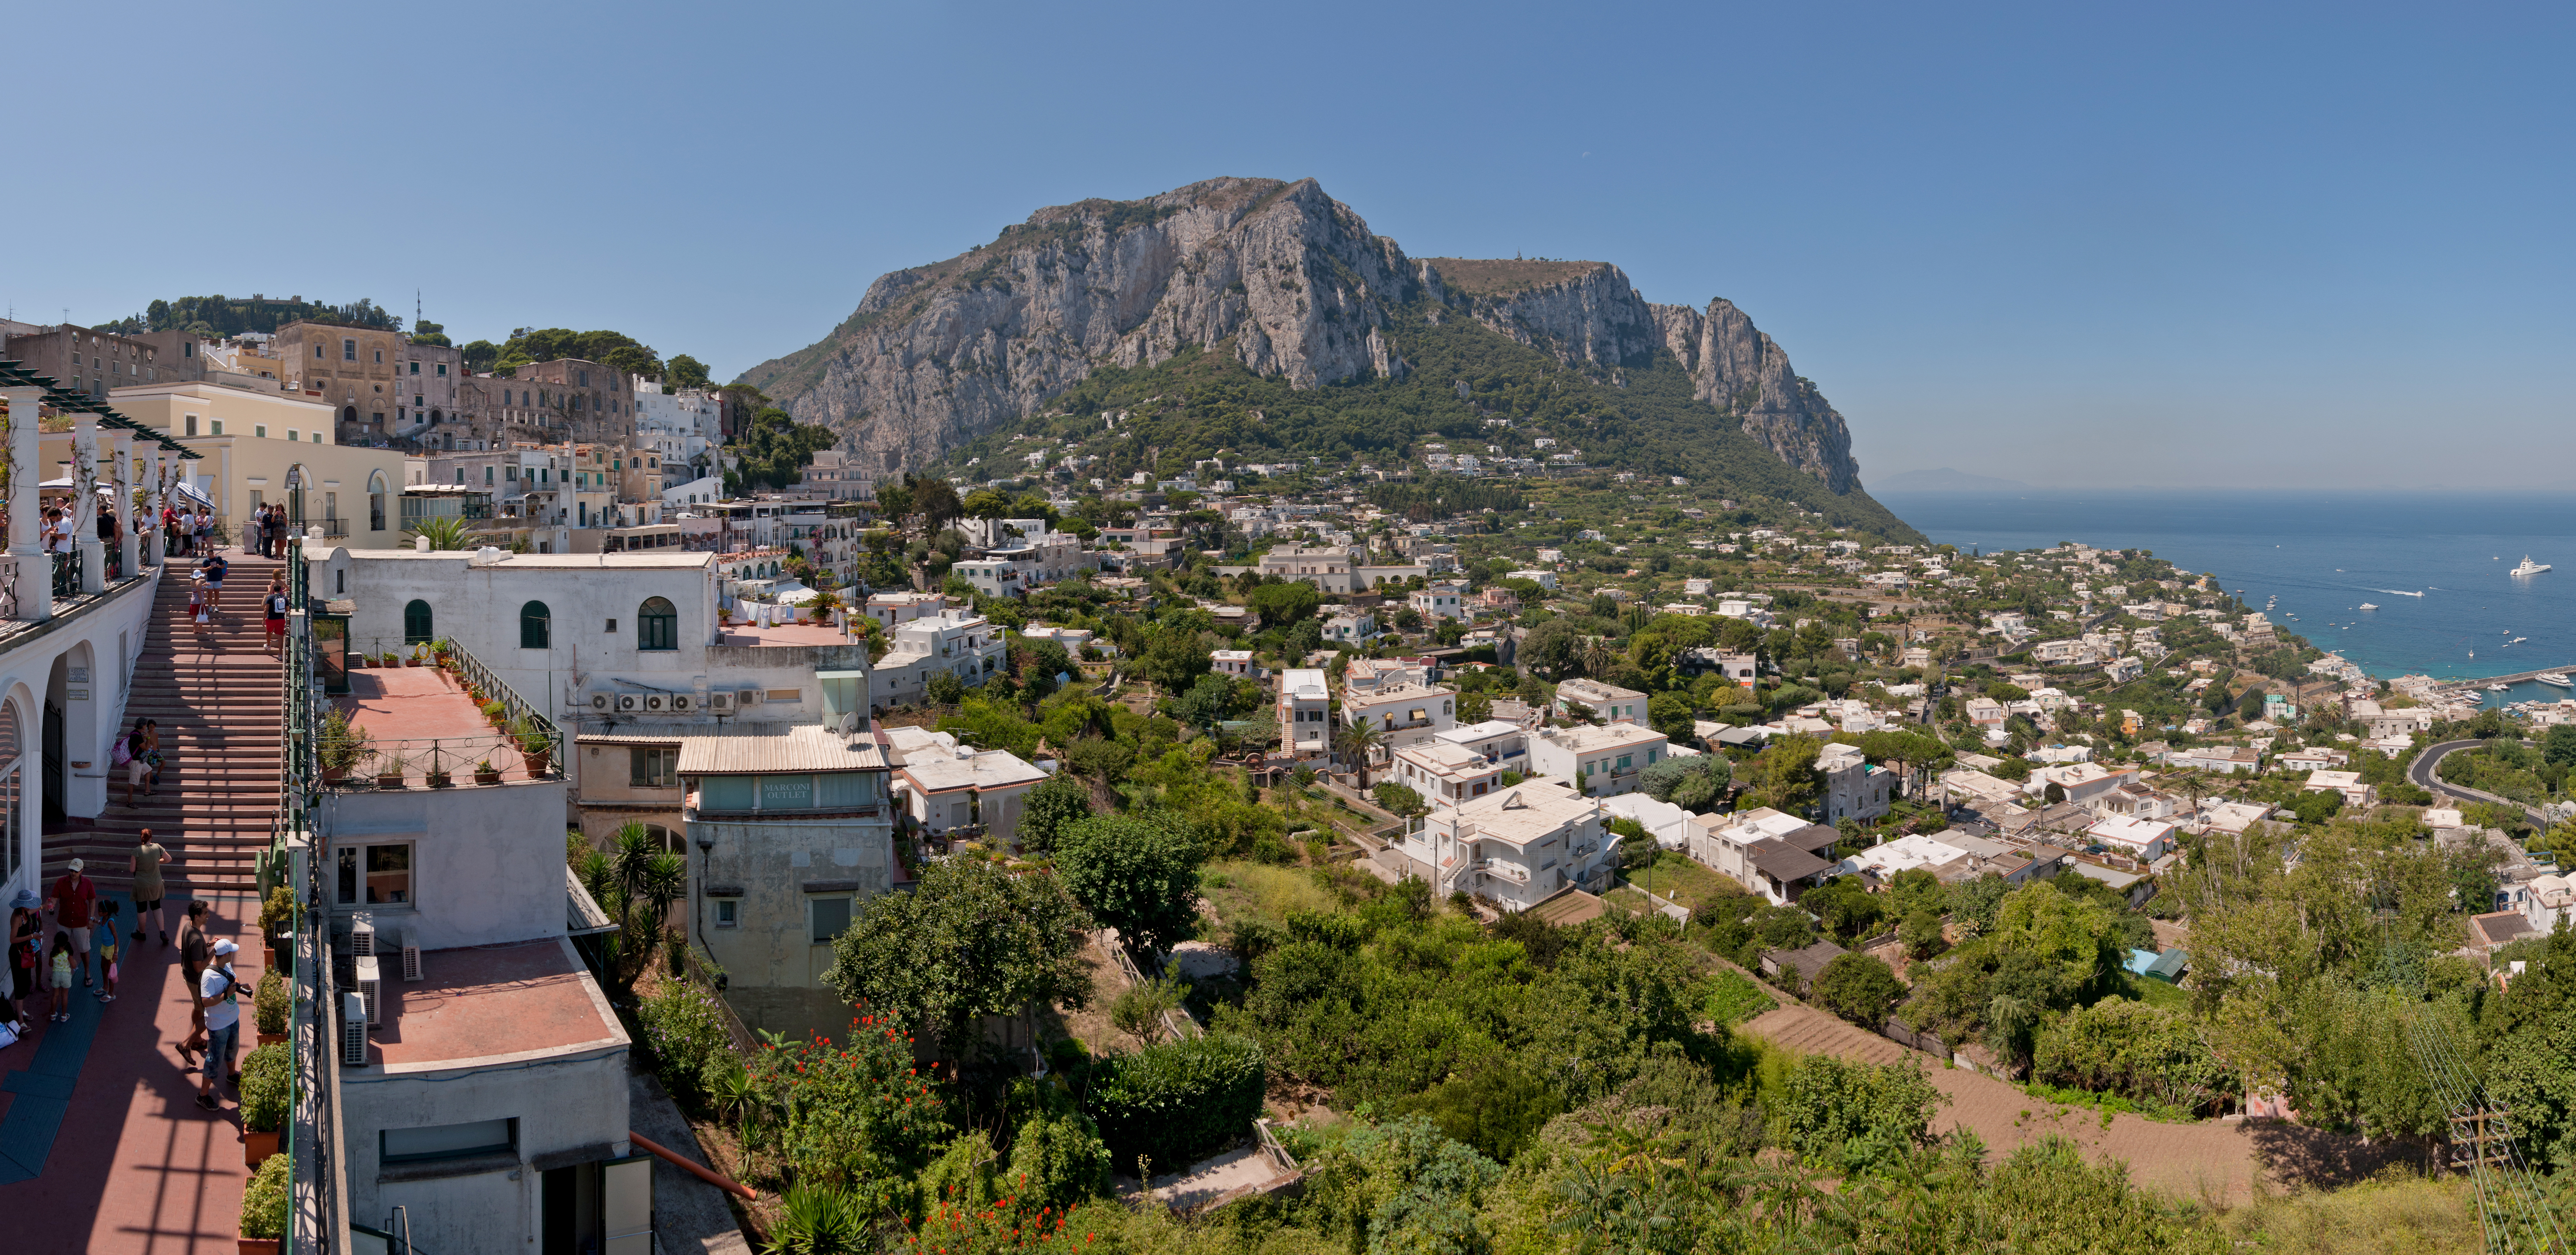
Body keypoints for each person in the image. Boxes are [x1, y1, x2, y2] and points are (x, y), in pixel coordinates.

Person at [196, 938, 241, 1108]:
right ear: (227, 954)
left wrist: (239, 987)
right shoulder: (208, 976)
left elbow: (234, 979)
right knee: (214, 1060)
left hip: (232, 1019)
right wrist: (226, 996)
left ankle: (231, 1075)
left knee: (233, 1050)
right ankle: (203, 1095)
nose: (233, 954)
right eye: (232, 952)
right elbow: (206, 1001)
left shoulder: (227, 965)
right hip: (218, 1026)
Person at [46, 858, 97, 988]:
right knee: (59, 949)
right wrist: (52, 904)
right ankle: (57, 971)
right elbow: (55, 898)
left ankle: (87, 973)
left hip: (81, 923)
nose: (73, 873)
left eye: (75, 871)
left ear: (81, 871)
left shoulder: (88, 884)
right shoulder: (61, 882)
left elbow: (92, 900)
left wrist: (91, 917)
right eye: (71, 870)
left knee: (84, 949)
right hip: (64, 921)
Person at [177, 901, 211, 1062]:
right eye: (205, 913)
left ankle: (196, 1040)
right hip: (196, 980)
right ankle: (186, 1044)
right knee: (208, 1015)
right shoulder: (197, 939)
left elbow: (193, 950)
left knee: (197, 1006)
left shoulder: (187, 927)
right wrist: (215, 952)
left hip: (188, 977)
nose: (208, 916)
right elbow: (199, 967)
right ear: (197, 917)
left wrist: (209, 945)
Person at [131, 829, 172, 944]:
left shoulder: (137, 851)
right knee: (156, 906)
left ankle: (142, 933)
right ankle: (162, 932)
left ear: (141, 838)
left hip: (142, 884)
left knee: (142, 908)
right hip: (156, 882)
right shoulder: (157, 847)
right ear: (151, 838)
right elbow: (169, 859)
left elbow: (132, 869)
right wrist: (157, 862)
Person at [94, 904, 119, 1003]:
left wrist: (115, 953)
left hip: (111, 949)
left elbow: (116, 938)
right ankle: (105, 987)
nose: (98, 911)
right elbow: (101, 923)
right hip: (104, 947)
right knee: (103, 967)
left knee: (111, 971)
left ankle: (111, 994)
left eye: (100, 910)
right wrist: (95, 921)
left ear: (106, 913)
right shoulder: (103, 919)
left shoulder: (111, 922)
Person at [263, 575, 288, 655]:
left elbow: (266, 609)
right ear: (281, 590)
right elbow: (287, 610)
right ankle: (280, 654)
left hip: (271, 618)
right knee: (280, 636)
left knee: (269, 631)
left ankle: (269, 646)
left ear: (273, 589)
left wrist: (264, 620)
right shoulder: (285, 598)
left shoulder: (270, 597)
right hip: (281, 619)